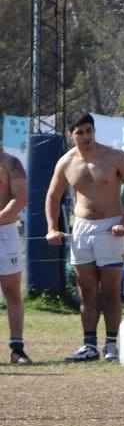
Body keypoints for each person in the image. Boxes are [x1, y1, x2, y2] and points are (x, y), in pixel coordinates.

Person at [46, 111, 124, 362]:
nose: (86, 136)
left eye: (89, 130)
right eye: (80, 132)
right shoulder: (66, 162)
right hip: (81, 230)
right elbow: (53, 196)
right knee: (87, 291)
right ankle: (89, 345)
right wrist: (52, 227)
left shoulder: (115, 157)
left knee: (111, 291)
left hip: (111, 228)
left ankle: (111, 344)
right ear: (71, 135)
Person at [0, 150, 29, 364]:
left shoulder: (11, 163)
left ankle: (17, 349)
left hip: (5, 231)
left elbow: (19, 199)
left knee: (11, 289)